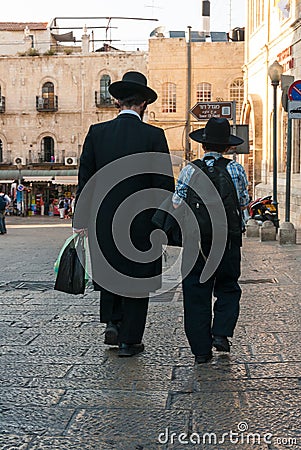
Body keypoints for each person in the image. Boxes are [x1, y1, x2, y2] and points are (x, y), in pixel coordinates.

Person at [73, 71, 174, 357]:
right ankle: (131, 340)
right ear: (144, 103)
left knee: (110, 271)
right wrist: (161, 225)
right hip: (141, 222)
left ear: (117, 101)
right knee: (136, 277)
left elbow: (86, 180)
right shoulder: (154, 135)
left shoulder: (97, 132)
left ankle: (113, 323)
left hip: (103, 220)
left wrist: (81, 221)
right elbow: (163, 184)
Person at [172, 118, 249, 364]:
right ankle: (221, 333)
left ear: (203, 145)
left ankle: (201, 350)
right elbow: (243, 201)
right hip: (227, 239)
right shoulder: (235, 169)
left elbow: (176, 202)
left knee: (195, 291)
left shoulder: (189, 169)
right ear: (227, 147)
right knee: (228, 286)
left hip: (197, 242)